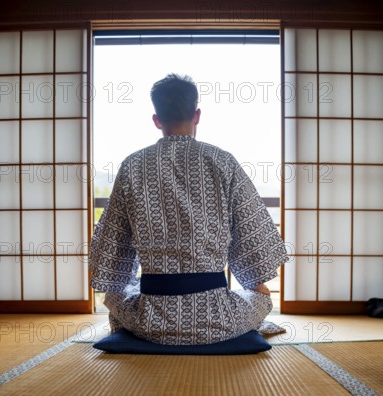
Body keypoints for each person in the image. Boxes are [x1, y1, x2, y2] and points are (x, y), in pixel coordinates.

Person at [89, 74, 289, 345]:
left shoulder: (131, 166)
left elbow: (112, 247)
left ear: (157, 120)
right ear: (197, 115)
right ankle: (247, 325)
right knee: (262, 296)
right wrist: (253, 279)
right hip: (218, 320)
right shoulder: (223, 161)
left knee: (115, 295)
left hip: (150, 322)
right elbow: (252, 234)